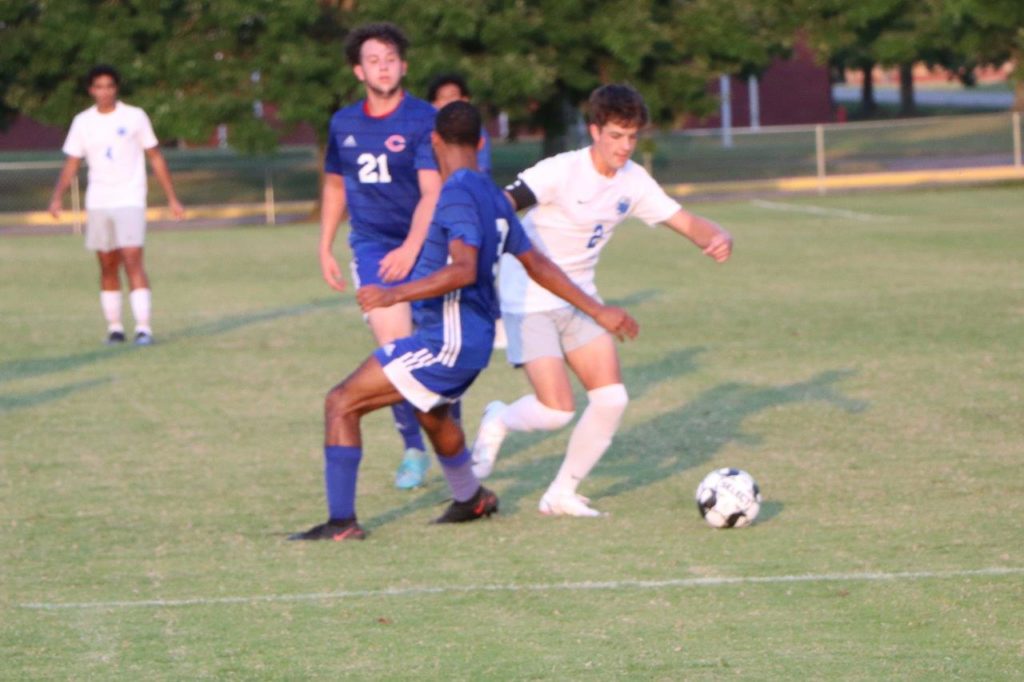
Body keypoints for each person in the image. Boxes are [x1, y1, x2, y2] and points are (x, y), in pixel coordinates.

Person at [288, 101, 638, 541]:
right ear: (479, 141)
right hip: (471, 338)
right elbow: (538, 264)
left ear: (435, 141)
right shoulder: (492, 194)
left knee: (341, 402)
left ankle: (341, 523)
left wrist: (393, 293)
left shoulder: (455, 193)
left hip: (447, 340)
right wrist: (597, 309)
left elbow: (464, 269)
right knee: (431, 411)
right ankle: (471, 497)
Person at [471, 84, 734, 517]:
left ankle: (561, 494)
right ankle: (499, 418)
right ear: (594, 131)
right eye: (615, 135)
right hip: (528, 297)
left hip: (580, 296)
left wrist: (717, 236)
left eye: (631, 137)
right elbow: (502, 204)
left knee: (612, 399)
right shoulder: (560, 171)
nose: (624, 146)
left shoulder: (634, 180)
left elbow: (684, 221)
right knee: (556, 411)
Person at [318, 23, 441, 490]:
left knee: (439, 354)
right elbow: (335, 185)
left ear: (403, 66)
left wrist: (411, 248)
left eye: (390, 59)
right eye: (373, 60)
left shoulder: (424, 119)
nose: (383, 68)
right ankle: (413, 448)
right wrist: (324, 246)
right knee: (395, 353)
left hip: (427, 244)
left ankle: (452, 444)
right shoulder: (343, 123)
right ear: (359, 71)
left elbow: (432, 192)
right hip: (372, 247)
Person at [48, 64, 185, 345]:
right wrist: (57, 196)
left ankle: (143, 328)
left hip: (129, 198)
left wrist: (172, 197)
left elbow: (155, 156)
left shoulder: (135, 117)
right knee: (107, 264)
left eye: (109, 86)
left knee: (132, 258)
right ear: (91, 90)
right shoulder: (83, 122)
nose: (105, 92)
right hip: (99, 201)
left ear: (116, 88)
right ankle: (115, 328)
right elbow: (72, 161)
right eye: (99, 87)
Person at [426, 72, 492, 175]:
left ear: (465, 99)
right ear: (434, 104)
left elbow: (483, 168)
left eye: (453, 96)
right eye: (443, 97)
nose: (448, 101)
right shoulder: (425, 131)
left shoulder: (476, 130)